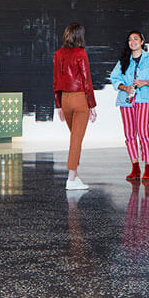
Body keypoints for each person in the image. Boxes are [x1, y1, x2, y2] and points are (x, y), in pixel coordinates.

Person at [110, 30, 149, 184]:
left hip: (144, 100)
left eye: (135, 39)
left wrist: (144, 83)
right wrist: (125, 88)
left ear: (142, 41)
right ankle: (135, 166)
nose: (132, 42)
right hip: (126, 101)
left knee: (143, 132)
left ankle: (148, 166)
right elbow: (115, 78)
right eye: (130, 40)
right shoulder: (123, 61)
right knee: (129, 134)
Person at [52, 22, 97, 191]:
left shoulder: (58, 54)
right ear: (80, 36)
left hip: (65, 99)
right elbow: (87, 81)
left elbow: (55, 81)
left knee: (75, 138)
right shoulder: (81, 53)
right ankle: (71, 179)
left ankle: (75, 176)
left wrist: (58, 105)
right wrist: (92, 105)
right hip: (79, 99)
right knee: (76, 140)